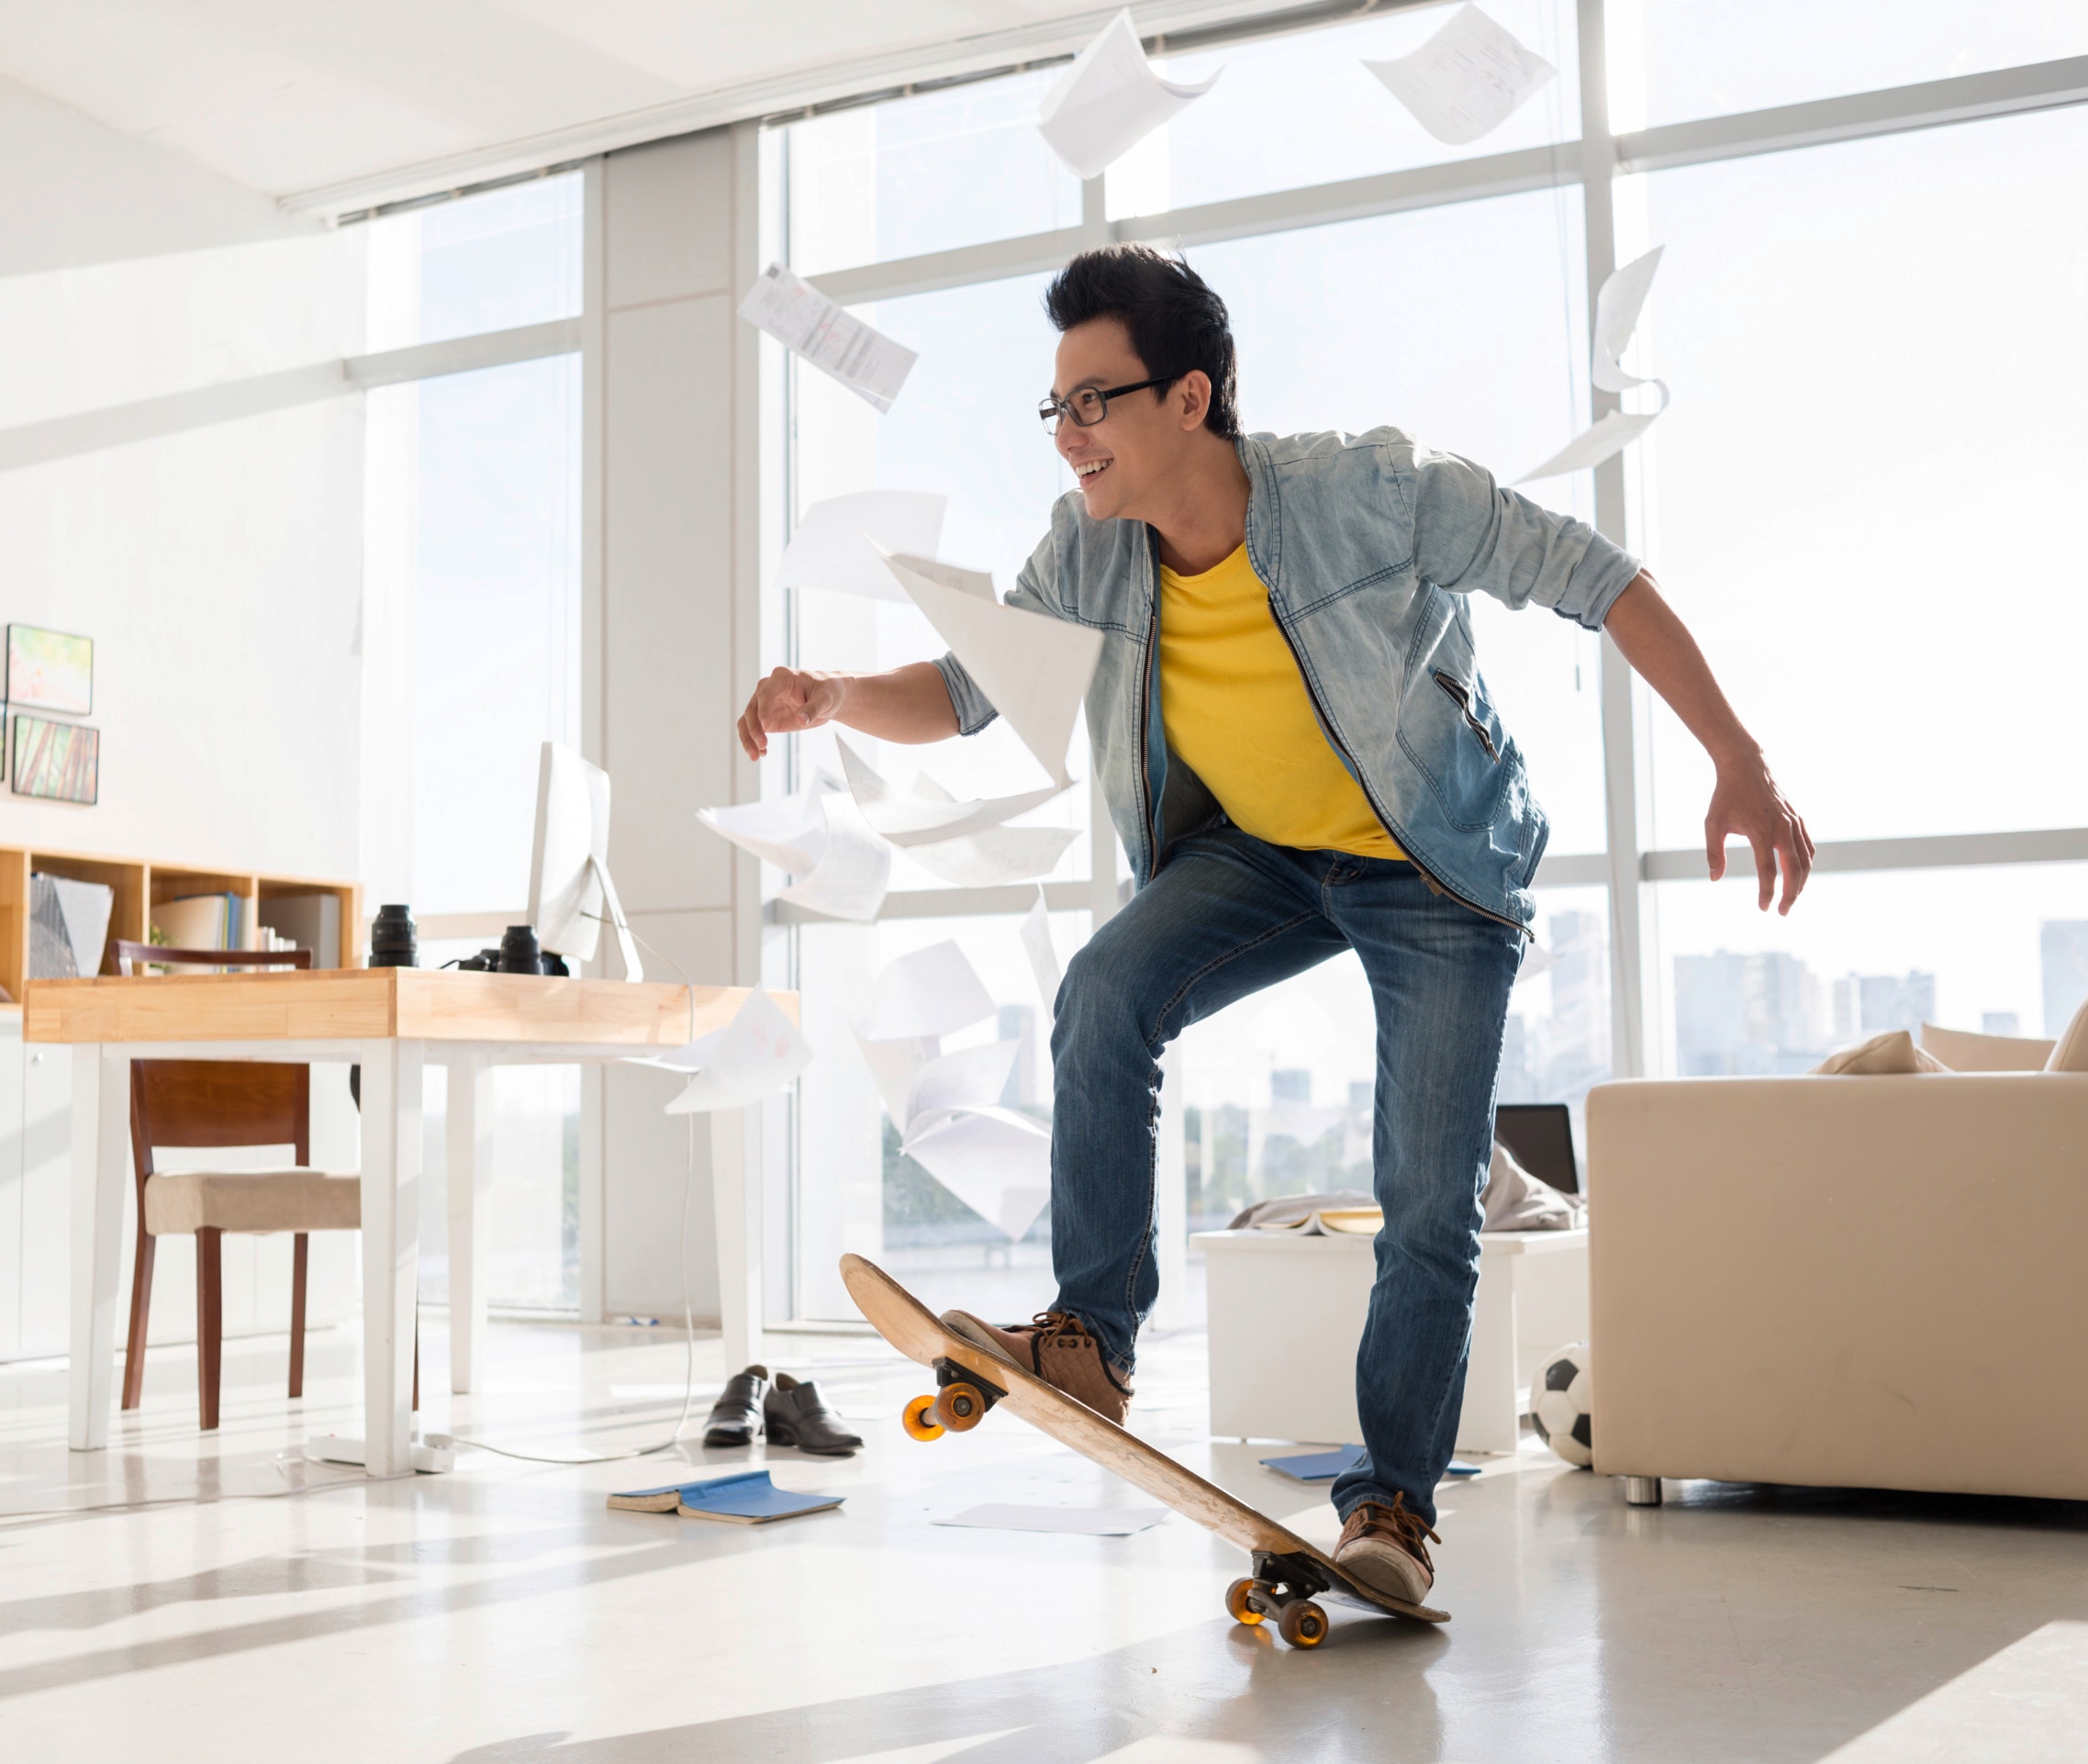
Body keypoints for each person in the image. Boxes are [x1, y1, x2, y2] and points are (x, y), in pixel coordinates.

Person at [733, 244, 1812, 1613]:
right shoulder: (1089, 547)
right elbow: (965, 689)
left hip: (1435, 865)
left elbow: (1596, 577)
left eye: (1094, 403)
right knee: (1105, 990)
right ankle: (1092, 1338)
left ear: (1191, 398)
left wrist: (1739, 757)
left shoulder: (1367, 494)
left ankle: (1395, 1509)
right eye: (1054, 410)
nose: (1069, 438)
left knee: (1428, 1195)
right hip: (1255, 855)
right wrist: (830, 693)